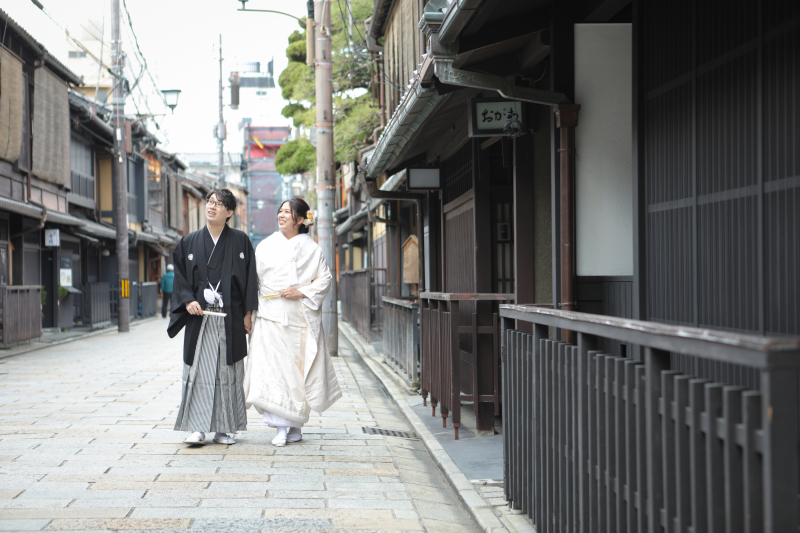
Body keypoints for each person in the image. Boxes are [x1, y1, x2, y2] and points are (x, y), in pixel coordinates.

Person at [244, 198, 342, 447]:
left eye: (287, 212)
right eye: (280, 211)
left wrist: (300, 292)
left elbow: (325, 279)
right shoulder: (265, 245)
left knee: (297, 374)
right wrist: (249, 313)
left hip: (299, 318)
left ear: (300, 219)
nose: (281, 215)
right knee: (274, 372)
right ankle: (280, 427)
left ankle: (295, 424)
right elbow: (253, 281)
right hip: (270, 315)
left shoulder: (313, 249)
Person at [167, 189, 258, 446]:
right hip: (200, 317)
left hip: (231, 318)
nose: (211, 206)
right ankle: (197, 428)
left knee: (227, 374)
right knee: (199, 371)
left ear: (229, 212)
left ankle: (224, 428)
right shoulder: (189, 242)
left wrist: (248, 314)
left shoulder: (240, 241)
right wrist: (188, 300)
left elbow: (250, 279)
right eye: (210, 202)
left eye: (218, 204)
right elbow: (180, 277)